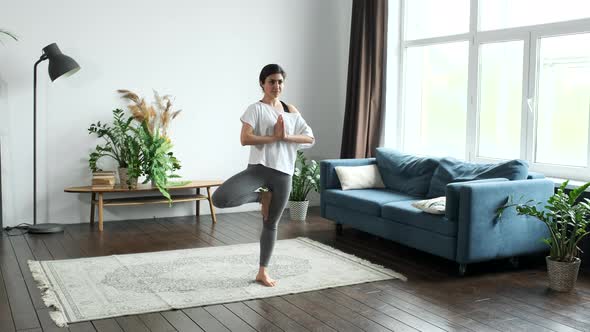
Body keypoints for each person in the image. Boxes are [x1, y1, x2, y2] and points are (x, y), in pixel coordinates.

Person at [211, 64, 315, 287]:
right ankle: (262, 197)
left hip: (284, 173)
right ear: (262, 84)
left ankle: (262, 272)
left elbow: (309, 139)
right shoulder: (255, 109)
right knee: (219, 198)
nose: (276, 86)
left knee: (271, 223)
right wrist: (274, 138)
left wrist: (286, 137)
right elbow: (245, 139)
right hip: (259, 168)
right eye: (271, 82)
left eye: (279, 82)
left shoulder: (290, 110)